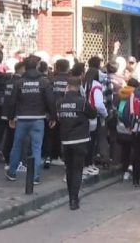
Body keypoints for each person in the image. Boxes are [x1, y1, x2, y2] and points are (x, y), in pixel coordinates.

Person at [6, 56, 56, 185]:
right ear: (37, 67)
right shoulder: (44, 82)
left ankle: (12, 172)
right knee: (36, 148)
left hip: (22, 118)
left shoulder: (19, 82)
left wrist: (11, 117)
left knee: (16, 146)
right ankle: (35, 177)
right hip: (38, 118)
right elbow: (50, 101)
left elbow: (11, 102)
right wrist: (53, 117)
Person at [56, 76, 96, 210]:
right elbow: (93, 114)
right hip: (80, 139)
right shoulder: (82, 102)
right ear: (79, 86)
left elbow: (58, 118)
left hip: (66, 140)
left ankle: (70, 197)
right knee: (77, 170)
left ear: (67, 86)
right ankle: (74, 198)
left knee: (69, 169)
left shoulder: (60, 102)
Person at [44, 58, 70, 168]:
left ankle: (49, 156)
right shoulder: (70, 80)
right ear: (67, 68)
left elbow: (48, 97)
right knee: (62, 135)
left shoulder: (52, 80)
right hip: (66, 112)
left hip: (52, 111)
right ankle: (58, 156)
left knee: (51, 135)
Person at [83, 67, 108, 176]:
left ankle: (87, 164)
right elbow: (99, 104)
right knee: (92, 142)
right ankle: (88, 164)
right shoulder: (96, 86)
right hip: (94, 116)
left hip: (84, 116)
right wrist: (105, 114)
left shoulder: (83, 84)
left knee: (87, 142)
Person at [115, 78, 137, 181]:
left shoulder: (120, 96)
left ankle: (124, 170)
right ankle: (130, 170)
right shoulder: (133, 96)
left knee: (125, 150)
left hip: (120, 128)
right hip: (130, 128)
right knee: (133, 149)